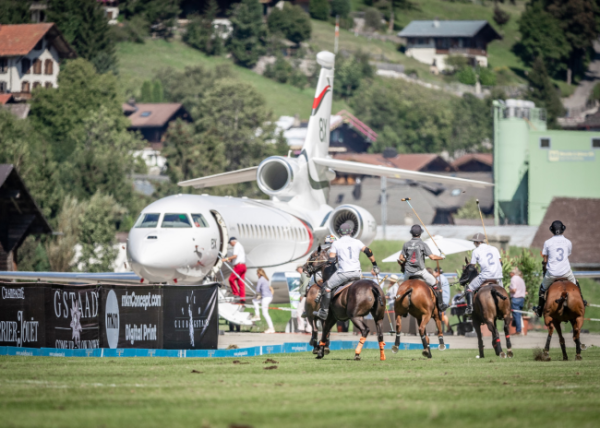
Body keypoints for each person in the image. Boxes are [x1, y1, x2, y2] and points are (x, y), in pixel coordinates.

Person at [312, 221, 379, 321]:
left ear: (339, 233)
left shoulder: (336, 243)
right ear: (351, 232)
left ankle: (323, 312)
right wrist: (375, 266)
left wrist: (330, 261)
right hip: (357, 274)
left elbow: (331, 260)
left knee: (327, 286)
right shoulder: (357, 242)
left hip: (343, 274)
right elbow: (368, 251)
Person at [534, 220, 586, 317]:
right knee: (576, 284)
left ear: (552, 230)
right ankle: (582, 303)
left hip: (552, 273)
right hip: (566, 272)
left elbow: (545, 259)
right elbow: (567, 254)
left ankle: (539, 309)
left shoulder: (547, 242)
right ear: (562, 229)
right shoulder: (568, 242)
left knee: (542, 289)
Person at [398, 225, 447, 313]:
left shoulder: (406, 244)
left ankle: (400, 307)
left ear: (411, 233)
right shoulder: (423, 244)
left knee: (401, 289)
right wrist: (442, 257)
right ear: (420, 234)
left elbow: (401, 258)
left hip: (408, 272)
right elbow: (432, 257)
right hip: (420, 272)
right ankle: (441, 305)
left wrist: (407, 260)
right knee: (436, 284)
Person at [465, 232, 503, 315]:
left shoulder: (476, 251)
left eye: (474, 242)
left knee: (469, 288)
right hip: (498, 276)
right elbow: (501, 263)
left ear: (477, 242)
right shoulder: (494, 248)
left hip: (485, 276)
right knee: (503, 292)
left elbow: (472, 267)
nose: (473, 244)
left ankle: (469, 308)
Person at [251, 268, 275, 333]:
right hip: (268, 297)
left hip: (266, 298)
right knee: (255, 301)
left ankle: (271, 328)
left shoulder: (260, 280)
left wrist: (258, 294)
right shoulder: (266, 279)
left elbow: (258, 290)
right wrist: (260, 296)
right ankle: (257, 315)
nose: (257, 275)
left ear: (259, 274)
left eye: (257, 273)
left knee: (265, 313)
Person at [223, 237, 247, 304]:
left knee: (231, 279)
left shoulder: (236, 245)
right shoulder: (240, 246)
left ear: (233, 241)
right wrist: (231, 260)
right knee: (240, 283)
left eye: (230, 243)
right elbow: (237, 257)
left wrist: (226, 259)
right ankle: (242, 299)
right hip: (243, 266)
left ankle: (236, 294)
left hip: (238, 266)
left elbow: (235, 256)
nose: (230, 245)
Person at [433, 267, 453, 335]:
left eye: (434, 272)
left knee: (442, 314)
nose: (433, 273)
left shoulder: (439, 278)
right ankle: (441, 329)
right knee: (440, 314)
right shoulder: (443, 277)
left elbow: (436, 288)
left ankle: (448, 329)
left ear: (437, 272)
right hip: (445, 298)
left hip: (442, 298)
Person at [509, 267, 526, 335]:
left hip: (516, 298)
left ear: (512, 273)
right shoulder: (521, 279)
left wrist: (509, 290)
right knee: (519, 315)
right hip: (522, 298)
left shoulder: (513, 279)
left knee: (516, 315)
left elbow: (514, 289)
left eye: (510, 273)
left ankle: (518, 330)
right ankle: (519, 329)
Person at [296, 264, 310, 331]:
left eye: (298, 270)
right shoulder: (309, 274)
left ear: (301, 268)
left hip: (304, 295)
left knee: (299, 311)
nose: (298, 271)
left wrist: (302, 294)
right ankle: (309, 328)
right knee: (308, 311)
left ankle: (301, 327)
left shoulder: (303, 274)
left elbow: (305, 285)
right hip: (309, 295)